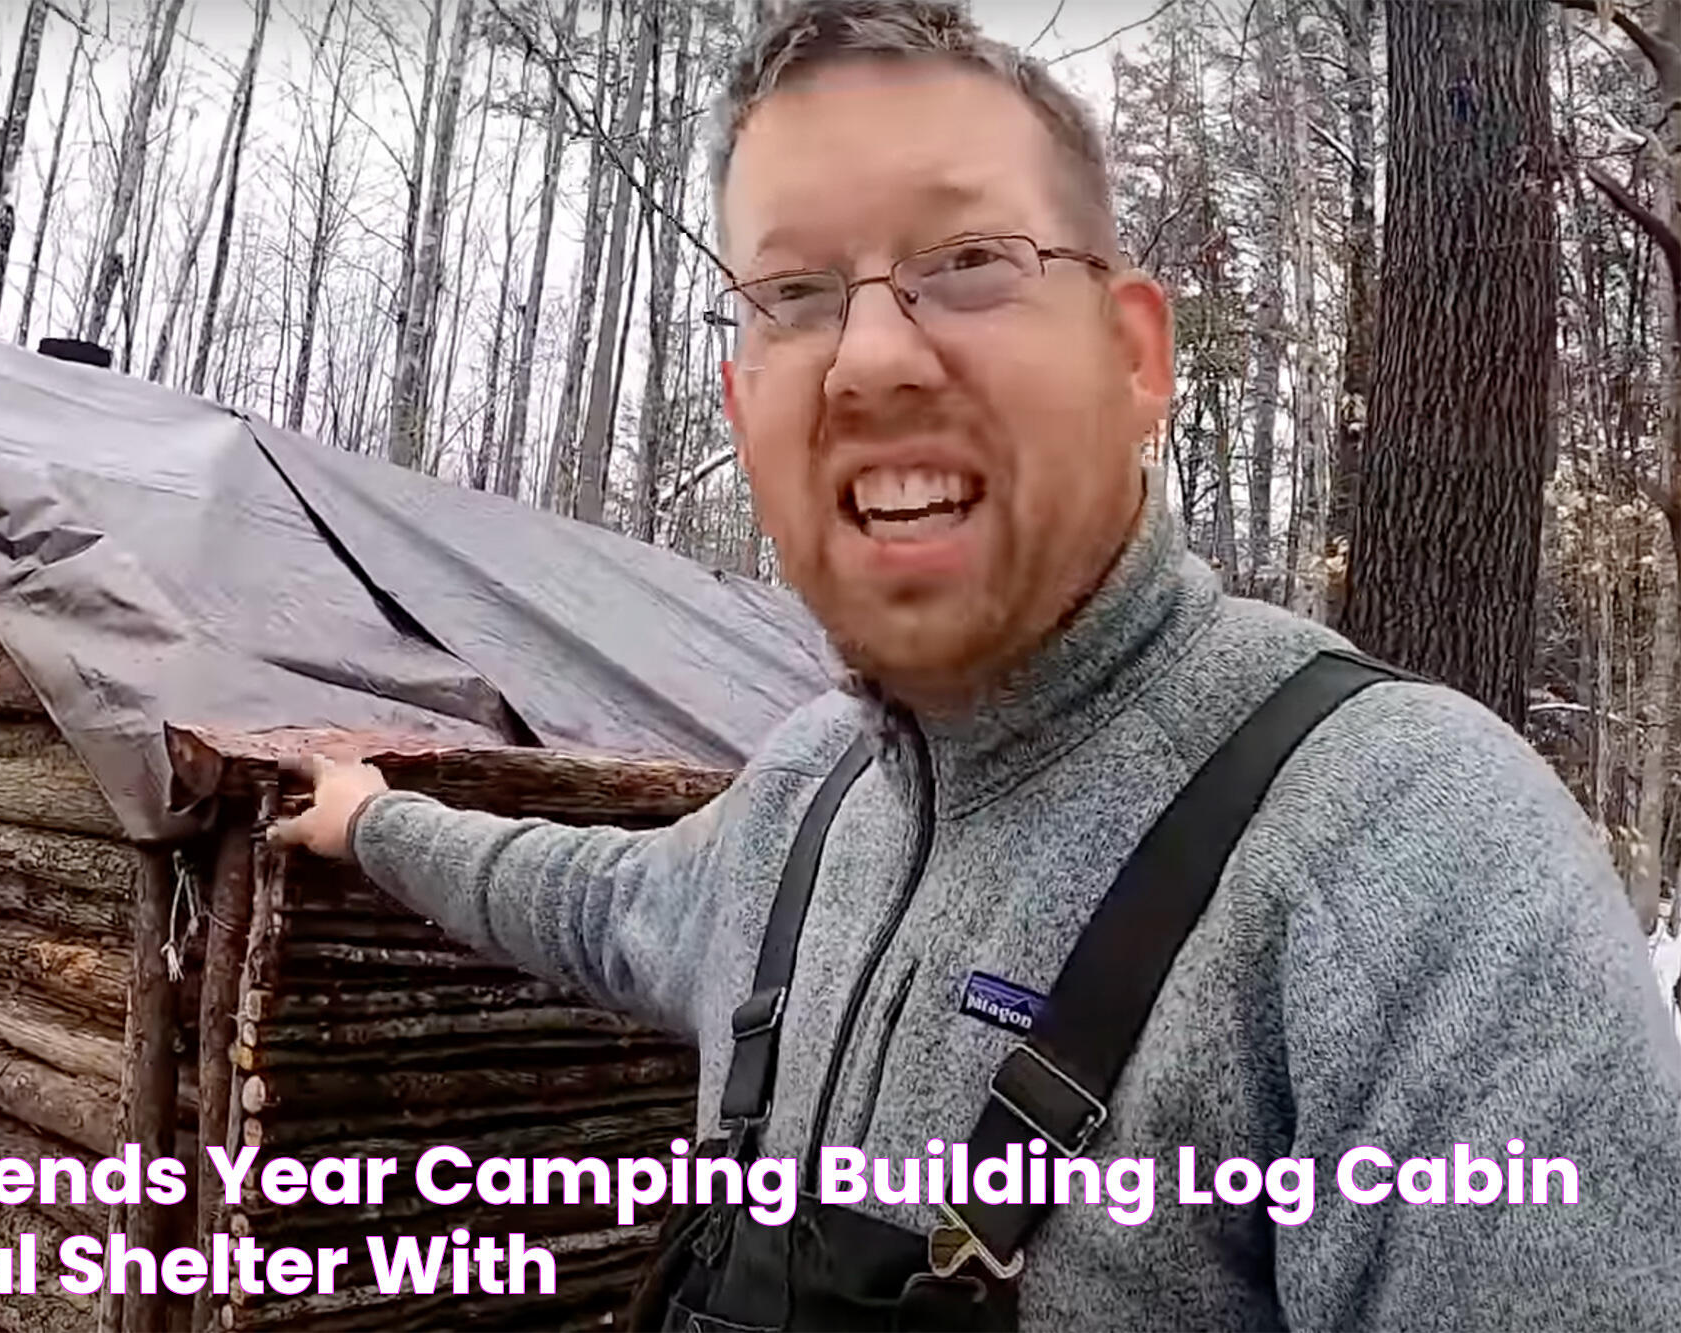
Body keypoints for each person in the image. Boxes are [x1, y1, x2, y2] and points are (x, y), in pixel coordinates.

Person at [270, 1, 1681, 1328]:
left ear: (1135, 356)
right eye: (796, 293)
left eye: (967, 264)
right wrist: (367, 818)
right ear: (742, 397)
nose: (871, 359)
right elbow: (593, 898)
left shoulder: (1415, 859)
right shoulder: (805, 799)